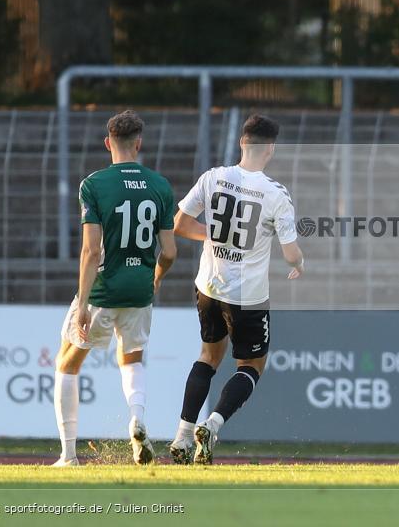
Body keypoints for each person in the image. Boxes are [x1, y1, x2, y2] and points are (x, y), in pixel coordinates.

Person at [169, 113, 304, 465]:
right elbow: (291, 254)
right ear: (270, 149)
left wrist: (210, 234)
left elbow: (180, 225)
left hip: (209, 286)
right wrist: (299, 264)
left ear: (242, 142)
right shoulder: (276, 194)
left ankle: (182, 436)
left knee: (208, 357)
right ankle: (212, 425)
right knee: (251, 364)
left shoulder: (213, 177)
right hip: (247, 296)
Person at [53, 110, 176, 467]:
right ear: (139, 143)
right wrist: (155, 278)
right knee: (132, 359)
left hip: (104, 290)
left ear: (108, 143)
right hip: (139, 292)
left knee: (66, 364)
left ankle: (69, 455)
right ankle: (136, 419)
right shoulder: (160, 185)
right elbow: (169, 251)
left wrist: (83, 304)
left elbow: (91, 251)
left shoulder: (93, 185)